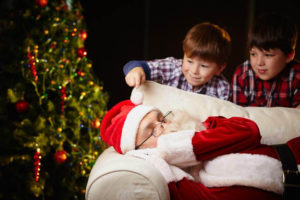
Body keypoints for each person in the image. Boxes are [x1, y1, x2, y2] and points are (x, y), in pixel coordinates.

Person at [100, 98, 300, 200]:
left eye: (162, 119)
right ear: (141, 151)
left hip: (294, 153)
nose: (163, 127)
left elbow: (250, 131)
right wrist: (167, 154)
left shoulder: (205, 126)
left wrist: (188, 145)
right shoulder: (173, 176)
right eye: (151, 132)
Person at [123, 22, 232, 100]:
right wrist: (136, 70)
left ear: (220, 68)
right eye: (189, 61)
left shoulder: (222, 88)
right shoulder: (172, 67)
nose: (194, 71)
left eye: (203, 66)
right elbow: (138, 65)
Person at [232, 13, 300, 108]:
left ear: (289, 56)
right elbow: (239, 115)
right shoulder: (242, 75)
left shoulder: (297, 76)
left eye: (268, 55)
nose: (259, 63)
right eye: (253, 54)